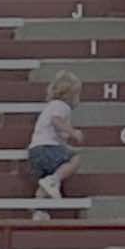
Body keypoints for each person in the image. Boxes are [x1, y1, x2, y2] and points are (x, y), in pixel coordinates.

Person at [27, 71, 82, 211]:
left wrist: (64, 137)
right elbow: (56, 121)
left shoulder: (51, 106)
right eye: (77, 95)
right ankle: (54, 179)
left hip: (35, 152)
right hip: (46, 149)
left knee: (43, 184)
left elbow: (54, 130)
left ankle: (39, 212)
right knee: (75, 159)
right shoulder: (62, 106)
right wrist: (73, 132)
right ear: (69, 95)